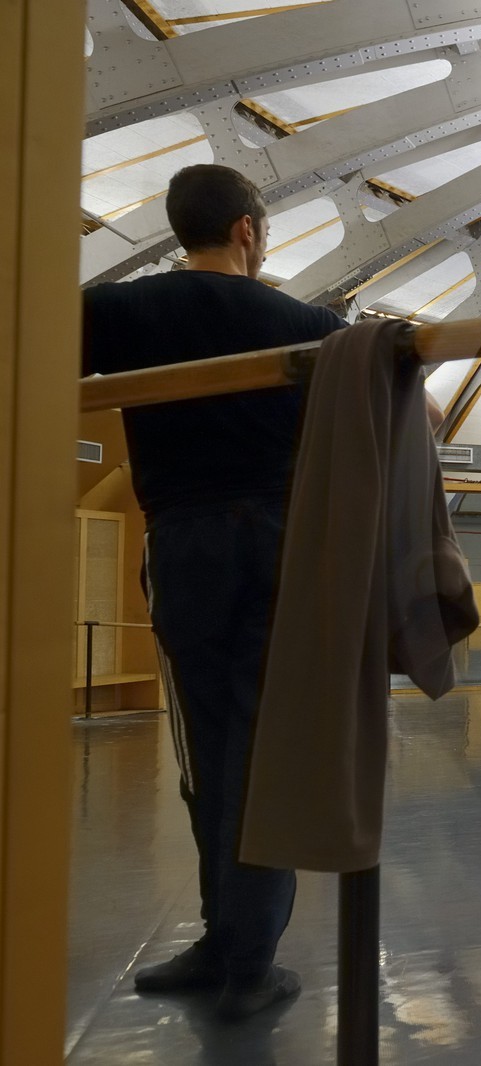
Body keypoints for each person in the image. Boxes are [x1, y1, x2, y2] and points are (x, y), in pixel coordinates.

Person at [80, 164, 347, 1020]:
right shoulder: (305, 323)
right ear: (246, 231)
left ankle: (227, 943)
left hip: (183, 543)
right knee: (262, 748)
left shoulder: (119, 312)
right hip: (279, 546)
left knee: (204, 745)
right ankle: (245, 959)